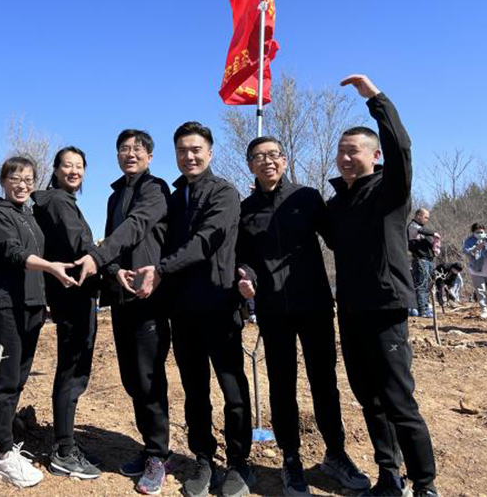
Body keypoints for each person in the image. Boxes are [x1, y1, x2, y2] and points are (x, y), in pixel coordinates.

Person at [235, 136, 370, 495]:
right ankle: (290, 459)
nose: (268, 162)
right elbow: (242, 258)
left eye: (274, 155)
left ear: (284, 159)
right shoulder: (244, 210)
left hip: (315, 305)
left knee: (324, 382)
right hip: (273, 309)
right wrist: (245, 277)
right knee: (282, 386)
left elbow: (338, 238)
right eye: (259, 157)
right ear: (250, 164)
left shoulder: (307, 198)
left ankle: (336, 453)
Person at [325, 74, 437, 497]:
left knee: (398, 401)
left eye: (353, 151)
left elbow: (401, 147)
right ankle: (389, 474)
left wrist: (376, 99)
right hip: (350, 311)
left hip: (386, 310)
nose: (345, 158)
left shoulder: (390, 191)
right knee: (368, 398)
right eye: (341, 151)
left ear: (374, 156)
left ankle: (425, 484)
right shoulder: (337, 204)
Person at [128, 122, 251, 497]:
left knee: (233, 389)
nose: (189, 156)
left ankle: (239, 463)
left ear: (209, 152)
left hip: (219, 304)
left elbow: (205, 241)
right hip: (182, 311)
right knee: (194, 389)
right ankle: (202, 458)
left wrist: (160, 270)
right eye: (182, 150)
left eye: (196, 149)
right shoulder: (174, 195)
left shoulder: (225, 194)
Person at [72, 129, 171, 496]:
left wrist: (97, 257)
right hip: (122, 297)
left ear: (149, 155)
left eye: (137, 149)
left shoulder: (156, 189)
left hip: (149, 297)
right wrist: (110, 269)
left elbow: (135, 228)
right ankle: (149, 448)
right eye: (123, 149)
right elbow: (116, 241)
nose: (130, 154)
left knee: (149, 378)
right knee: (131, 377)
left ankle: (159, 455)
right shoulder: (116, 194)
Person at [0, 155, 75, 488]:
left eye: (29, 179)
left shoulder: (30, 216)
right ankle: (4, 453)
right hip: (8, 305)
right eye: (15, 178)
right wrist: (50, 267)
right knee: (5, 380)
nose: (22, 185)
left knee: (17, 378)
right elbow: (12, 253)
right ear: (3, 181)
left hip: (33, 306)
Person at [31, 147, 102, 480]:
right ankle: (63, 449)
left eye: (79, 166)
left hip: (74, 296)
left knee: (72, 372)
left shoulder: (63, 202)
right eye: (67, 166)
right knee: (72, 373)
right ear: (56, 170)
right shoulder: (58, 202)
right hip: (73, 296)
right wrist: (112, 268)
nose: (74, 171)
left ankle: (65, 442)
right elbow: (80, 247)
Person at [407, 208, 439, 318]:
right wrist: (434, 233)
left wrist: (435, 247)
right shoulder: (413, 226)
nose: (427, 220)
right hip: (421, 260)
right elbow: (423, 231)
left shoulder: (422, 230)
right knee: (421, 285)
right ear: (418, 215)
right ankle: (423, 310)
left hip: (428, 260)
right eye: (425, 217)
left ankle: (416, 309)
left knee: (426, 285)